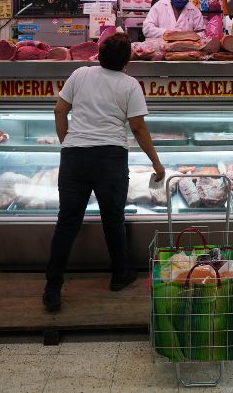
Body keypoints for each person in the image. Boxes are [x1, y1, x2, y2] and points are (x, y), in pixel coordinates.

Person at [43, 32, 165, 312]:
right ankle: (120, 275)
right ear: (128, 61)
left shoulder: (80, 74)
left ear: (98, 54)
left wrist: (68, 144)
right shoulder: (130, 85)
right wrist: (157, 164)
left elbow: (59, 111)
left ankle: (53, 286)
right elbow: (137, 128)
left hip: (75, 157)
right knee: (113, 220)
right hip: (110, 157)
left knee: (67, 222)